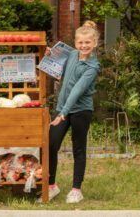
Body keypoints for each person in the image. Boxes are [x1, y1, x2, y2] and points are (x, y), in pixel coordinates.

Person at [42, 21, 100, 203]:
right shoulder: (72, 54)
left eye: (87, 43)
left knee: (78, 149)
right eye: (81, 43)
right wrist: (49, 55)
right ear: (76, 43)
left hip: (81, 111)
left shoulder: (93, 67)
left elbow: (77, 90)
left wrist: (63, 113)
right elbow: (55, 64)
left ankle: (76, 189)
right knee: (51, 144)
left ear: (95, 43)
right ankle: (51, 186)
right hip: (62, 108)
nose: (84, 46)